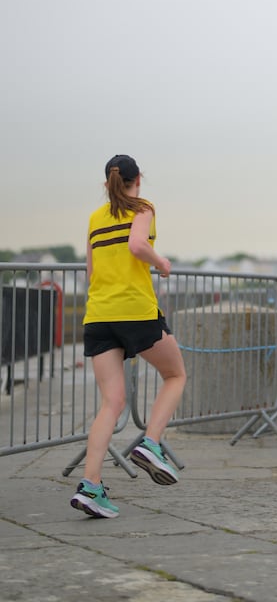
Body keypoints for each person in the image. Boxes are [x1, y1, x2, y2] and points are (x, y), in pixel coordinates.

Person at [70, 155, 187, 519]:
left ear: (107, 183)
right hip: (135, 311)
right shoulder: (143, 207)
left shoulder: (94, 218)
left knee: (111, 403)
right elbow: (137, 245)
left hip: (99, 315)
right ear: (138, 180)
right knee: (175, 375)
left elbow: (91, 272)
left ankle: (91, 487)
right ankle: (151, 444)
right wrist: (162, 263)